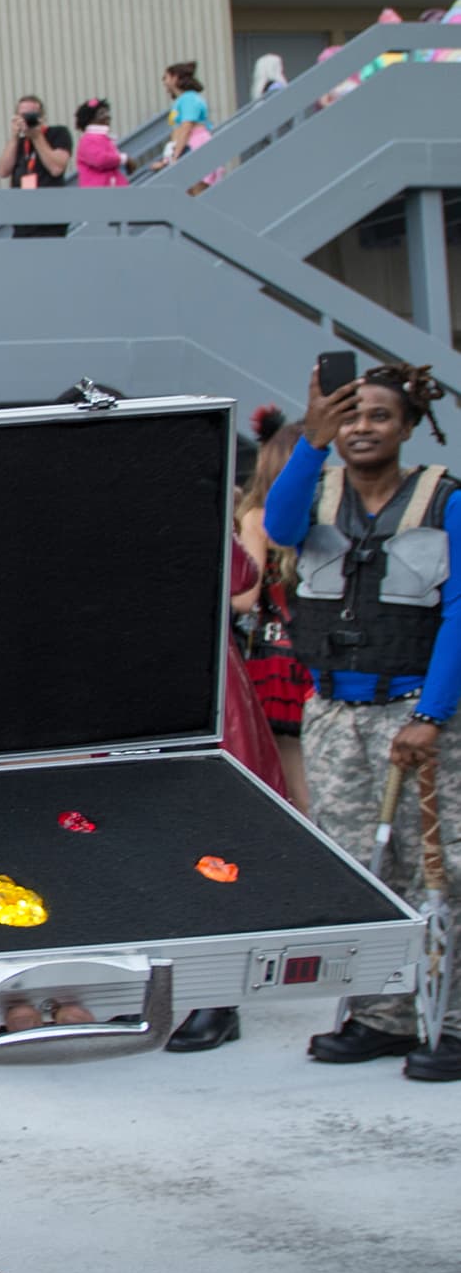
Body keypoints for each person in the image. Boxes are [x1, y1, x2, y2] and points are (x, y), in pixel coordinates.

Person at [262, 360, 460, 1083]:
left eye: (379, 415)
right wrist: (309, 441)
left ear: (408, 426)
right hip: (335, 710)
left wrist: (433, 714)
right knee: (364, 867)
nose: (362, 428)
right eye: (349, 415)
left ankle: (454, 1016)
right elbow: (278, 529)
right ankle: (381, 1013)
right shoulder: (314, 490)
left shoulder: (445, 501)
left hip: (417, 712)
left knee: (444, 867)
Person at [233, 407, 311, 812]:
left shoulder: (257, 517)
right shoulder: (327, 514)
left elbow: (244, 596)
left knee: (289, 771)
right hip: (319, 648)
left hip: (275, 653)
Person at [0, 93, 73, 237]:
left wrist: (37, 136)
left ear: (42, 117)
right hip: (22, 215)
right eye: (22, 116)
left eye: (31, 115)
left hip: (51, 216)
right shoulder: (18, 143)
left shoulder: (57, 134)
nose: (27, 119)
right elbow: (3, 171)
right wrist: (14, 137)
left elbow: (56, 168)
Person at [156, 61, 213, 172]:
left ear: (175, 78)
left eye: (166, 77)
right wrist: (167, 159)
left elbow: (186, 128)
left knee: (196, 186)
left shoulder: (189, 99)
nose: (164, 81)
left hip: (195, 146)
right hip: (186, 147)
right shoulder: (181, 101)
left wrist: (175, 156)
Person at [73, 99, 131, 189]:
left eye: (107, 113)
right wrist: (124, 159)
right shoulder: (87, 140)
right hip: (97, 196)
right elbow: (101, 160)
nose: (108, 116)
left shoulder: (103, 138)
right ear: (90, 119)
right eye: (101, 114)